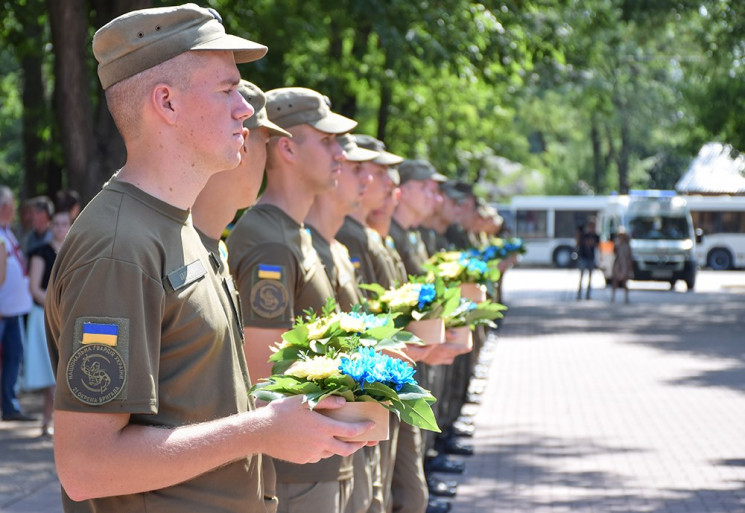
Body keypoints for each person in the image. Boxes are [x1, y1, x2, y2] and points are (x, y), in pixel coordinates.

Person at [45, 6, 370, 513]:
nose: (245, 109)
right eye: (227, 89)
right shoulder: (119, 247)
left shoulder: (182, 230)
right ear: (167, 103)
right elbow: (87, 466)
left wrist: (288, 416)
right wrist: (260, 430)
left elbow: (193, 407)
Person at [226, 86, 365, 513]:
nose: (340, 152)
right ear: (286, 148)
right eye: (327, 141)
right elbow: (262, 374)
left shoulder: (295, 233)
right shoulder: (270, 240)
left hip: (316, 456)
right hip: (295, 471)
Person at [25, 209, 71, 437]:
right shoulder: (39, 253)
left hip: (70, 317)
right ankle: (47, 419)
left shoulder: (76, 253)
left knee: (65, 370)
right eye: (57, 224)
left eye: (65, 224)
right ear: (51, 226)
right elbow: (34, 288)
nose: (60, 228)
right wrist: (57, 308)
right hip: (44, 315)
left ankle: (60, 423)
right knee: (49, 369)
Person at [0, 185, 34, 422]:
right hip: (2, 312)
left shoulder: (7, 232)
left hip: (13, 312)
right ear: (5, 207)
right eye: (12, 205)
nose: (14, 210)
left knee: (14, 358)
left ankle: (9, 406)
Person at [576, 217, 600, 300]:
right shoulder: (584, 235)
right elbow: (578, 244)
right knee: (581, 276)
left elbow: (596, 245)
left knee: (590, 278)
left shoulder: (596, 236)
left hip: (591, 258)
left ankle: (588, 295)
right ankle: (579, 294)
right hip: (583, 257)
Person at [611, 227, 633, 304]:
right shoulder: (617, 243)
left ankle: (626, 297)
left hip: (625, 264)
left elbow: (630, 255)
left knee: (625, 282)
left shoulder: (627, 244)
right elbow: (614, 253)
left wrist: (629, 265)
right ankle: (613, 296)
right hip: (618, 263)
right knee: (615, 281)